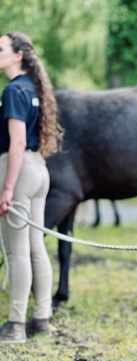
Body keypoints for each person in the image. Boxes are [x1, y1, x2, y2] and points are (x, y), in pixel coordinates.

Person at [0, 32, 62, 343]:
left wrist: (7, 187)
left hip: (19, 168)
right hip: (39, 168)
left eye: (0, 49)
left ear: (18, 55)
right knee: (36, 247)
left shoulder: (13, 91)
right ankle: (41, 319)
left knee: (17, 251)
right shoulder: (32, 88)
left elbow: (17, 141)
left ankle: (15, 325)